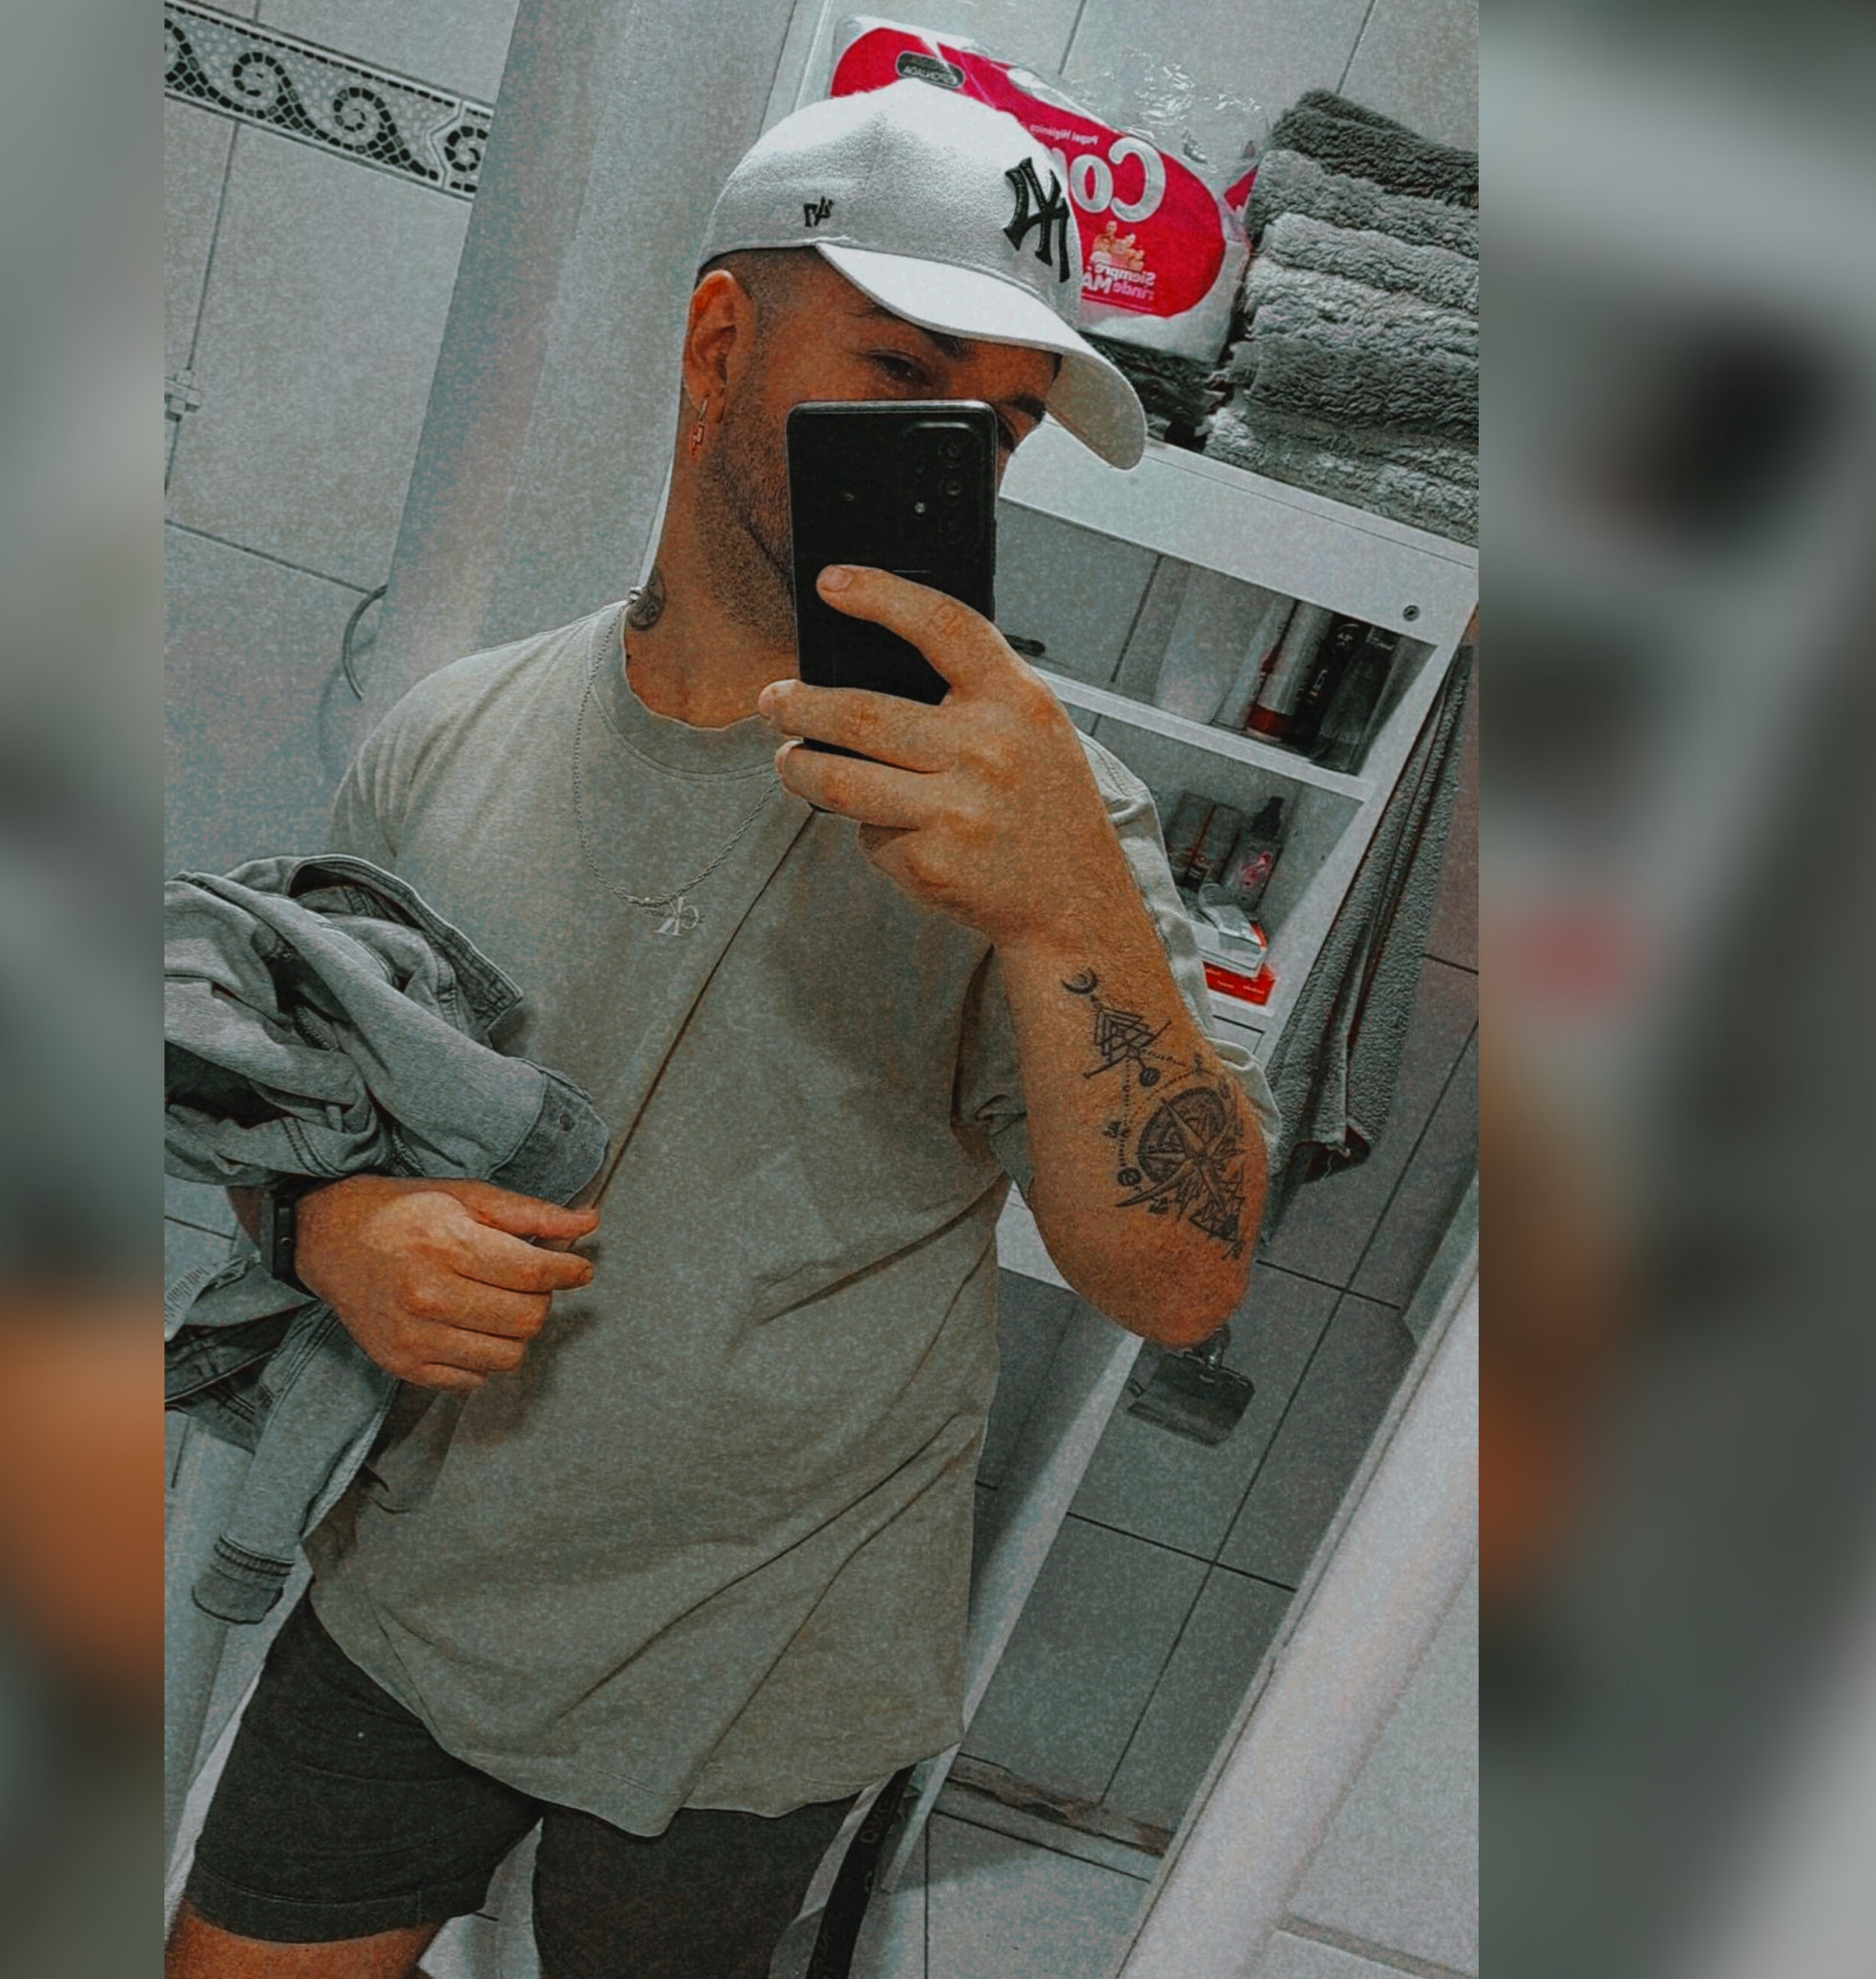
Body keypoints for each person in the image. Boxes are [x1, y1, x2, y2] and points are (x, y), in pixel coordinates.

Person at [167, 79, 1277, 1979]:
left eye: (1000, 422)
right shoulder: (452, 737)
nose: (952, 452)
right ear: (714, 345)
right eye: (902, 373)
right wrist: (334, 1231)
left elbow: (1178, 1278)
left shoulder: (1039, 810)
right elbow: (303, 1118)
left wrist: (1068, 907)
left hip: (768, 1676)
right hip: (420, 1596)